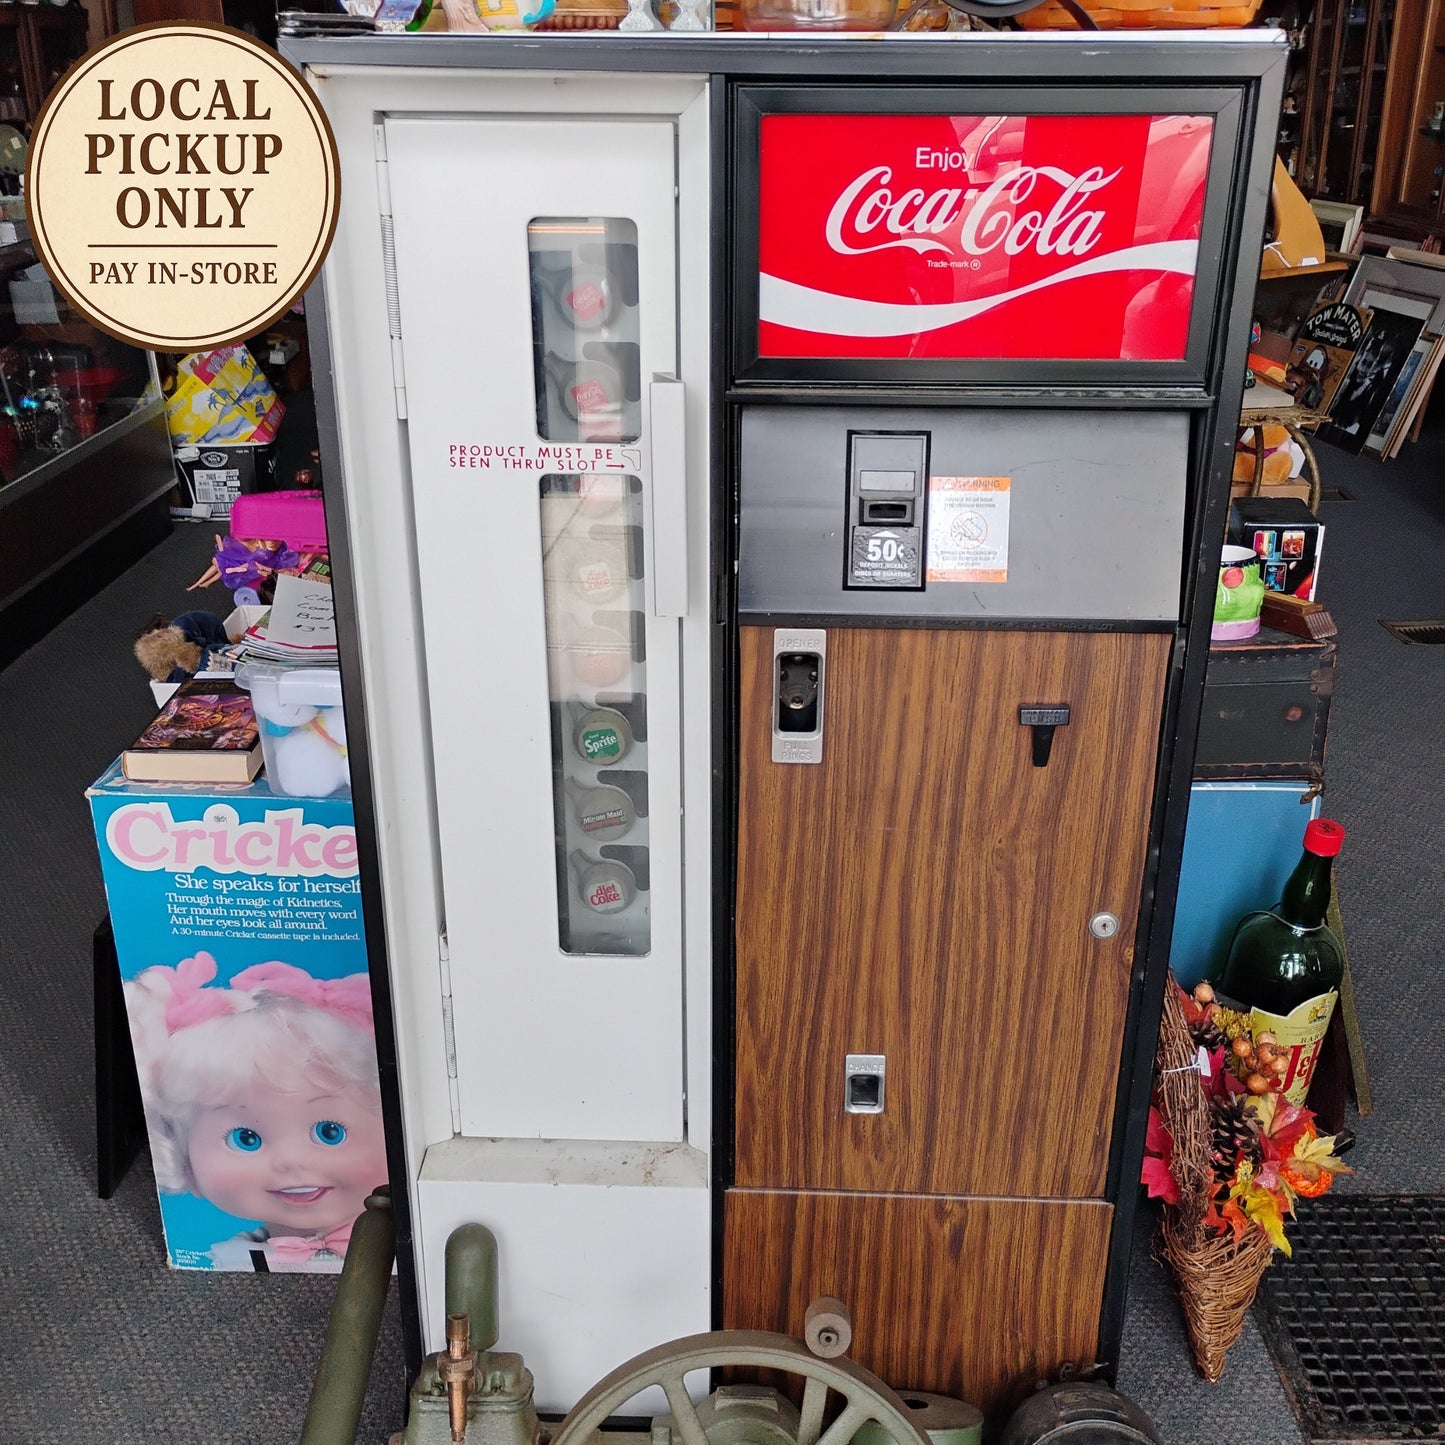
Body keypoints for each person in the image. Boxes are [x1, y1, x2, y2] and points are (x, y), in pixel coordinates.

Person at [124, 952, 387, 1272]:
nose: (291, 1160)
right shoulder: (227, 1256)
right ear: (182, 1150)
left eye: (329, 1131)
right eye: (245, 1138)